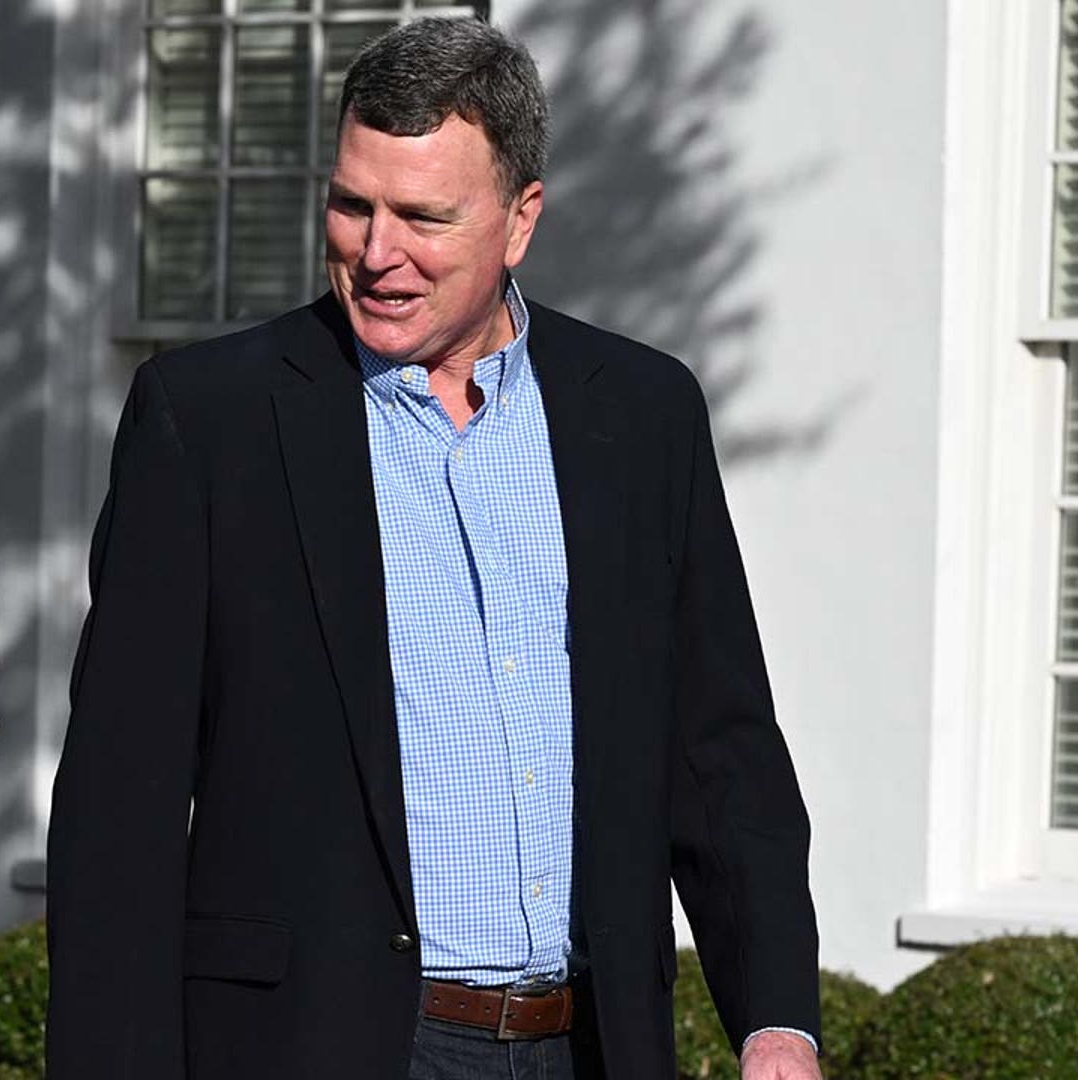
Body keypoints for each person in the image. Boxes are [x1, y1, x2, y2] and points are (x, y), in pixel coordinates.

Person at [49, 17, 821, 1080]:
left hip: (590, 1046)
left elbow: (721, 751)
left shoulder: (642, 416)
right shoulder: (209, 422)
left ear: (519, 221)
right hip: (315, 1047)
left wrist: (777, 1019)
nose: (376, 254)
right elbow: (117, 807)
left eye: (422, 216)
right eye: (352, 205)